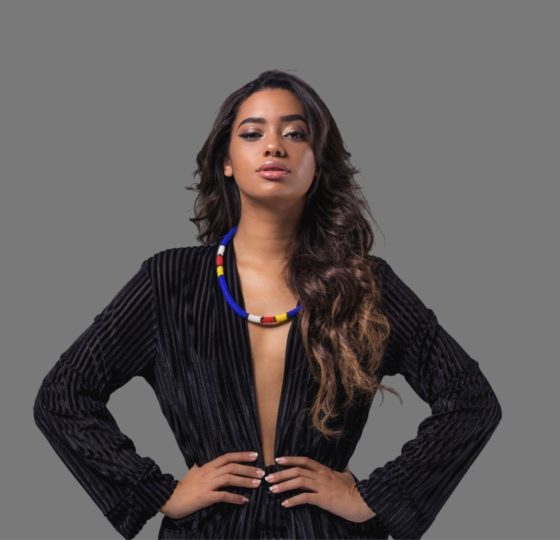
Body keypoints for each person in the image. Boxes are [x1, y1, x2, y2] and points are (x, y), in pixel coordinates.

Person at [33, 69, 502, 540]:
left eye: (295, 134)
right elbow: (63, 395)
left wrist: (372, 497)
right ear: (226, 161)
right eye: (252, 133)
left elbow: (470, 399)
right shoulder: (169, 281)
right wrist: (158, 493)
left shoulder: (364, 284)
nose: (274, 146)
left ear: (318, 162)